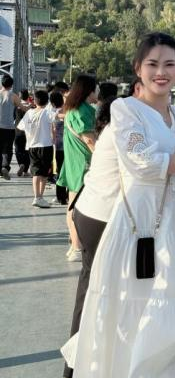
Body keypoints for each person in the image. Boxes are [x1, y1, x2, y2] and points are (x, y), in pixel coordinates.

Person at [61, 32, 175, 378]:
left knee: (168, 316)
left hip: (169, 226)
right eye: (152, 64)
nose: (161, 72)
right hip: (128, 224)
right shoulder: (125, 110)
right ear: (138, 68)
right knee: (123, 311)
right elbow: (145, 163)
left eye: (170, 64)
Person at [62, 85, 137, 378]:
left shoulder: (106, 130)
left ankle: (76, 368)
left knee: (89, 291)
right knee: (99, 293)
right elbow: (154, 166)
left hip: (90, 210)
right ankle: (83, 366)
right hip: (101, 216)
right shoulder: (123, 132)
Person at [57, 74, 97, 262]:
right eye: (96, 88)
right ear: (89, 90)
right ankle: (77, 247)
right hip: (84, 164)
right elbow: (90, 141)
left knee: (73, 204)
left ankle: (74, 245)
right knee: (76, 208)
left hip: (74, 163)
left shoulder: (73, 109)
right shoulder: (82, 111)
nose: (97, 91)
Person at [17, 90, 56, 208]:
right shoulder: (47, 112)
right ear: (47, 101)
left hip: (32, 147)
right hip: (45, 146)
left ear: (34, 101)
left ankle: (36, 197)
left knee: (36, 173)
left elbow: (21, 126)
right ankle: (40, 198)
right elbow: (57, 118)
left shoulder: (29, 113)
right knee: (44, 174)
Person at [0, 75, 21, 180]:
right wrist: (31, 107)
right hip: (9, 128)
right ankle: (5, 166)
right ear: (11, 85)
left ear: (2, 83)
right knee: (8, 149)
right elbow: (22, 107)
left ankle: (0, 170)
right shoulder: (13, 96)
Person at [49, 91, 68, 205]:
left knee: (60, 171)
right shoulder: (68, 111)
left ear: (52, 103)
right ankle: (68, 194)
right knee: (69, 170)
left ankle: (60, 197)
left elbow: (53, 131)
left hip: (58, 147)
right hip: (69, 146)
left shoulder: (53, 113)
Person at [14, 89, 32, 177]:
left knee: (18, 149)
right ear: (28, 96)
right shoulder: (31, 107)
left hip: (18, 131)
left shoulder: (17, 107)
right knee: (27, 151)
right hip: (29, 132)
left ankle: (21, 163)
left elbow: (14, 118)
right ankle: (25, 170)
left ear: (20, 96)